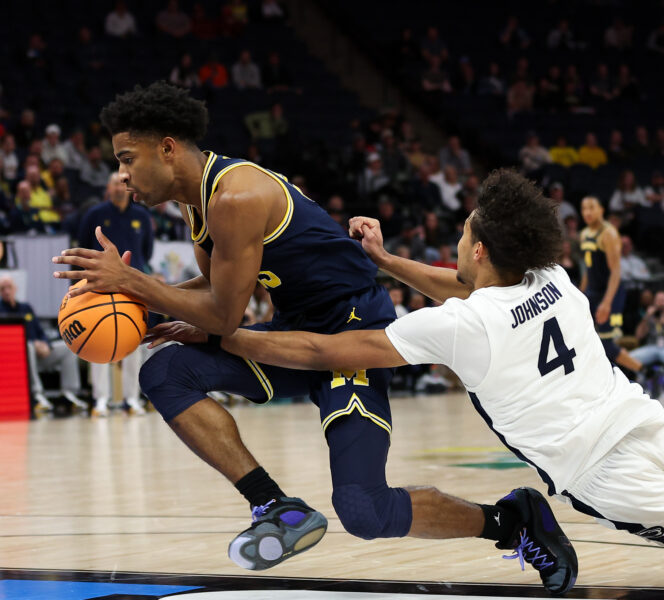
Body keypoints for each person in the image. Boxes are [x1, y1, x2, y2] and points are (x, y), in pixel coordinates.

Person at [150, 169, 664, 584]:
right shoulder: (553, 279)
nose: (460, 247)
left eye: (463, 237)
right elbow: (459, 288)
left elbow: (327, 353)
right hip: (637, 415)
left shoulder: (463, 323)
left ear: (478, 251)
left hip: (600, 469)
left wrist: (236, 334)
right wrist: (389, 260)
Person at [51, 82, 576, 595]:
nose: (121, 176)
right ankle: (275, 507)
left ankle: (513, 521)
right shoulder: (199, 201)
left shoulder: (236, 196)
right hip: (293, 331)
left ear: (167, 149)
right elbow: (220, 290)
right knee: (166, 370)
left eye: (126, 158)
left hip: (352, 336)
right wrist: (139, 298)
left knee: (365, 510)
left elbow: (224, 314)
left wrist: (135, 285)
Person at [78, 172, 154, 416]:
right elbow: (82, 248)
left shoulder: (142, 216)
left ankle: (132, 399)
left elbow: (147, 252)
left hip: (132, 288)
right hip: (98, 288)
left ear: (130, 187)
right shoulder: (95, 215)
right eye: (115, 183)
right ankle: (101, 399)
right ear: (107, 188)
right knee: (96, 340)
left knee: (133, 341)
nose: (120, 188)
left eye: (124, 183)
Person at [0, 276, 86, 412]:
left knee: (66, 347)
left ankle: (69, 393)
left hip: (39, 354)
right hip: (18, 360)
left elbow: (40, 331)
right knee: (27, 346)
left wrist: (46, 344)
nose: (6, 291)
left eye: (9, 287)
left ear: (15, 289)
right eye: (2, 289)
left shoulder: (26, 308)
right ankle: (36, 394)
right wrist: (34, 344)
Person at [579, 196, 643, 374]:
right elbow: (588, 268)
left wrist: (607, 303)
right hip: (592, 292)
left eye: (592, 207)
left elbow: (616, 271)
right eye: (584, 208)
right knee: (585, 337)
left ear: (601, 210)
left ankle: (644, 371)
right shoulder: (584, 234)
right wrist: (579, 295)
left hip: (611, 293)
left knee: (606, 342)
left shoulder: (609, 233)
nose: (588, 212)